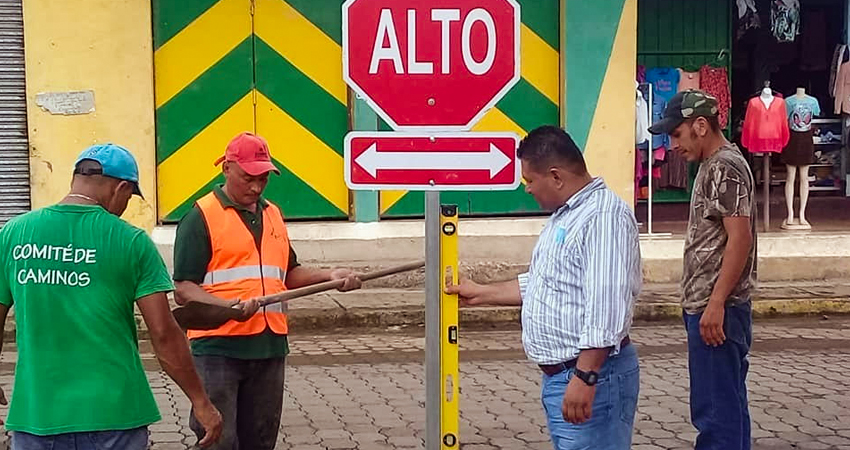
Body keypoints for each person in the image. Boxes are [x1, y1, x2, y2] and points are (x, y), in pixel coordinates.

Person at [0, 143, 222, 449]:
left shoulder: (14, 234)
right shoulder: (131, 241)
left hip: (37, 416)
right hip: (115, 417)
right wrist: (201, 401)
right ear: (121, 188)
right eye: (129, 197)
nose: (125, 205)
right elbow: (163, 333)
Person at [447, 125, 642, 450]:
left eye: (530, 180)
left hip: (592, 376)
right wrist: (481, 293)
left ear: (556, 176)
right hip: (563, 376)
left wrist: (585, 377)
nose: (527, 189)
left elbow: (607, 306)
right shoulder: (566, 216)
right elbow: (547, 284)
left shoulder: (603, 217)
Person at [173, 132, 362, 449]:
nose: (256, 187)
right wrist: (226, 306)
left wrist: (331, 276)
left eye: (263, 179)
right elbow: (184, 289)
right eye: (249, 178)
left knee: (260, 441)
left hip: (269, 348)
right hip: (218, 350)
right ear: (227, 169)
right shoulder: (200, 216)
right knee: (219, 441)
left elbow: (288, 273)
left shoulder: (272, 213)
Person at [649, 89, 756, 450]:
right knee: (727, 406)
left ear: (699, 125)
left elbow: (739, 238)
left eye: (676, 134)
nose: (673, 144)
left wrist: (716, 304)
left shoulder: (724, 166)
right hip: (711, 306)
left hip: (717, 310)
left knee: (715, 414)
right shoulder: (713, 166)